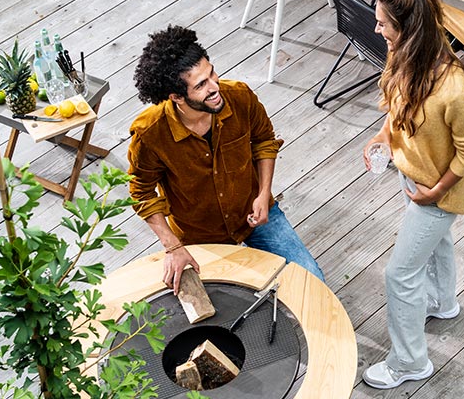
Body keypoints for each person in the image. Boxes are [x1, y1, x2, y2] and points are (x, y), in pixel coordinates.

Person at [362, 0, 464, 390]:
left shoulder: (454, 91)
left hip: (436, 193)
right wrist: (383, 136)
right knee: (436, 248)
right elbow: (395, 104)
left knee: (399, 275)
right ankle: (443, 302)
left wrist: (436, 191)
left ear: (407, 27)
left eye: (382, 23)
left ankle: (409, 362)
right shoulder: (402, 55)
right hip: (411, 174)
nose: (377, 29)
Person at [127, 25, 323, 292]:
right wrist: (173, 247)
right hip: (199, 235)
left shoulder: (240, 96)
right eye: (201, 85)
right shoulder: (150, 133)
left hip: (251, 212)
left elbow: (264, 141)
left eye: (212, 73)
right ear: (176, 97)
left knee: (312, 281)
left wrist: (264, 194)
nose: (215, 86)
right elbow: (142, 193)